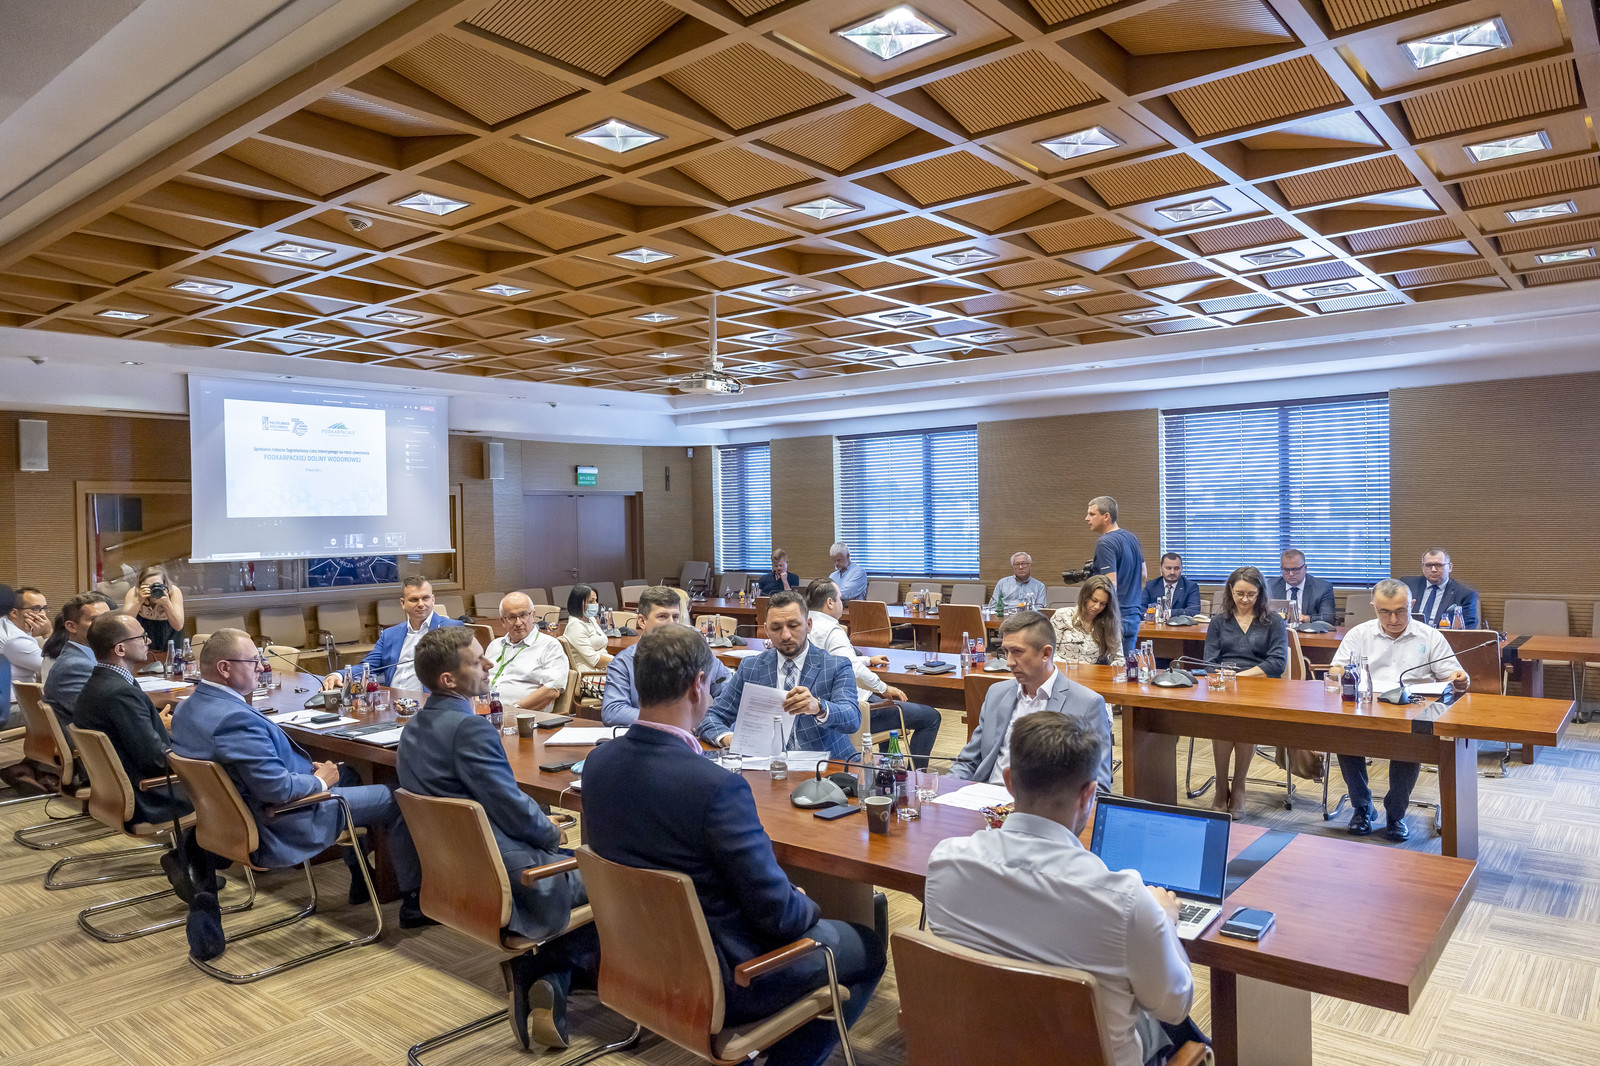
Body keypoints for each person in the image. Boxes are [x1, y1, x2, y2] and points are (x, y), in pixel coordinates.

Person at [582, 624, 885, 1066]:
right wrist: (802, 900)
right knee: (867, 945)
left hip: (635, 957)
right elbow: (780, 917)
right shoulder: (715, 788)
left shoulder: (597, 763)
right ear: (698, 685)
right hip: (728, 975)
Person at [928, 714, 1205, 1066]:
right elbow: (1175, 1006)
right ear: (1089, 794)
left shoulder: (946, 862)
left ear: (1009, 781)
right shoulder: (1126, 901)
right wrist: (1163, 920)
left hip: (981, 1052)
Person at [398, 628, 598, 1051]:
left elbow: (484, 807)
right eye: (477, 661)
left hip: (457, 876)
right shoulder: (468, 728)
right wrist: (552, 831)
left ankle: (550, 973)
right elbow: (511, 807)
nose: (489, 664)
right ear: (449, 680)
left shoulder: (413, 727)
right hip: (514, 880)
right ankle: (548, 971)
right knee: (622, 880)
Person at [171, 628, 428, 923]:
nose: (262, 667)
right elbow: (277, 791)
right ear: (224, 668)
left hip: (227, 819)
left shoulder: (186, 708)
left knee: (350, 774)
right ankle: (413, 903)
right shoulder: (234, 719)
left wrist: (314, 774)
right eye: (253, 661)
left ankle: (360, 875)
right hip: (280, 820)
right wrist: (320, 781)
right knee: (398, 797)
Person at [1330, 579, 1470, 841]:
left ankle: (1396, 815)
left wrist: (1460, 679)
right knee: (1344, 738)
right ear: (1374, 608)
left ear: (1412, 605)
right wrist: (1341, 672)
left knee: (1408, 747)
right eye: (1385, 612)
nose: (1393, 619)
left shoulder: (1430, 636)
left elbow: (1453, 674)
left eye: (1400, 611)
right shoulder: (1359, 634)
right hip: (1367, 709)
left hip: (1412, 711)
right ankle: (1362, 808)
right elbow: (1337, 669)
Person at [951, 611, 1113, 790]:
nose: (1009, 662)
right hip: (987, 796)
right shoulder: (996, 694)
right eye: (1006, 651)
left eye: (1017, 652)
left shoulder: (1087, 704)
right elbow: (968, 761)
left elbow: (1099, 786)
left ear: (1046, 653)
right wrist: (943, 789)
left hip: (1045, 802)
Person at [699, 589, 860, 759]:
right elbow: (711, 716)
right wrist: (727, 738)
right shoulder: (751, 667)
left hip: (825, 766)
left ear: (809, 625)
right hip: (765, 765)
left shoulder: (836, 666)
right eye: (776, 628)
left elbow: (852, 718)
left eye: (793, 626)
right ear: (766, 630)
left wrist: (819, 707)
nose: (785, 635)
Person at [71, 612, 191, 827]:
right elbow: (155, 762)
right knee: (232, 781)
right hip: (149, 798)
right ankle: (197, 848)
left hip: (116, 791)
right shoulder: (121, 693)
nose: (149, 641)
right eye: (142, 637)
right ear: (120, 649)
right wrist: (200, 762)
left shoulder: (97, 684)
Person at [804, 578, 941, 767]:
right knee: (931, 717)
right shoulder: (832, 630)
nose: (842, 603)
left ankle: (889, 770)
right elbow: (851, 669)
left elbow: (833, 662)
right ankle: (915, 776)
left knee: (889, 710)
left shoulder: (803, 626)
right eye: (840, 599)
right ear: (830, 602)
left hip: (821, 710)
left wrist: (867, 660)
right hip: (857, 710)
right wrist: (883, 688)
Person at [1203, 566, 1289, 815]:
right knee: (1222, 722)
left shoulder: (1273, 621)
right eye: (1239, 593)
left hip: (1259, 686)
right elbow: (1210, 662)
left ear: (1260, 593)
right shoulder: (1219, 621)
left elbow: (1277, 662)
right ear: (1230, 591)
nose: (1244, 599)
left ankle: (1239, 785)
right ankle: (1221, 785)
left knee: (1244, 723)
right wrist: (1226, 679)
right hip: (1223, 686)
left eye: (1251, 594)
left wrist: (1239, 677)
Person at [602, 586, 729, 726]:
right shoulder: (624, 662)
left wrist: (709, 722)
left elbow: (730, 693)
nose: (671, 624)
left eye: (675, 617)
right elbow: (613, 712)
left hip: (695, 735)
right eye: (662, 617)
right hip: (649, 735)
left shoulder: (697, 652)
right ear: (642, 621)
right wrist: (670, 721)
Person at [326, 576, 461, 692]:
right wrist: (339, 675)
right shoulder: (390, 634)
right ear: (403, 603)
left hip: (428, 702)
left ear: (433, 599)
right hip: (392, 701)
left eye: (425, 598)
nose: (421, 604)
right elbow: (368, 667)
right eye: (414, 600)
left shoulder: (452, 629)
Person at [484, 592, 569, 711]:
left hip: (523, 716)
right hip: (484, 713)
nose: (518, 623)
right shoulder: (494, 645)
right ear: (503, 621)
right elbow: (479, 681)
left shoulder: (550, 646)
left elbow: (552, 690)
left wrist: (513, 710)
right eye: (512, 617)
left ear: (533, 615)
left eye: (523, 615)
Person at [43, 591, 115, 728]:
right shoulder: (76, 665)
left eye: (108, 618)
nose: (108, 625)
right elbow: (97, 715)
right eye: (96, 619)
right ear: (71, 626)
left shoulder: (84, 657)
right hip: (90, 738)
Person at [1087, 496, 1145, 657]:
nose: (1087, 518)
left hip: (1114, 617)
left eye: (1092, 514)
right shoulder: (1132, 538)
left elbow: (1110, 583)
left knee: (1109, 667)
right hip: (1133, 614)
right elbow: (1144, 574)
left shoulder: (1105, 542)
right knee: (1128, 665)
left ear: (1106, 516)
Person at [1050, 575, 1121, 665]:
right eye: (1094, 600)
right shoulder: (1063, 615)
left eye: (1103, 604)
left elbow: (1119, 659)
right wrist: (1074, 664)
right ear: (1085, 596)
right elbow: (1048, 654)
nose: (1097, 607)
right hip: (1064, 670)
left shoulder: (1108, 622)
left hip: (1093, 672)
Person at [1402, 549, 1481, 629]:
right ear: (1423, 567)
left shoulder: (1465, 594)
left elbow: (1468, 628)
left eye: (1439, 565)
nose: (1433, 569)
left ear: (1450, 567)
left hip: (1444, 636)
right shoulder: (1407, 586)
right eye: (1428, 565)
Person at [2, 586, 49, 721]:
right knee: (60, 712)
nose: (43, 615)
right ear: (14, 613)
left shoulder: (7, 626)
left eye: (44, 608)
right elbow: (53, 668)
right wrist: (48, 633)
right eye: (36, 609)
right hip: (10, 707)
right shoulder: (15, 639)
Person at [1267, 549, 1336, 625]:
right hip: (1279, 629)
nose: (1291, 574)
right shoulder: (1270, 586)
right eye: (1286, 570)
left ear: (1305, 568)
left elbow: (1328, 618)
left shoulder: (1322, 588)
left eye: (1295, 569)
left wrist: (1307, 618)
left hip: (1309, 630)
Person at [559, 584, 611, 673]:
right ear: (578, 603)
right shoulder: (575, 626)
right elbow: (594, 661)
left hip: (604, 667)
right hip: (589, 673)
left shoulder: (591, 619)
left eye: (596, 600)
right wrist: (619, 661)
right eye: (591, 601)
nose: (595, 604)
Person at [1141, 553, 1201, 617]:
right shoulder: (1151, 586)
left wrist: (1167, 613)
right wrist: (1151, 615)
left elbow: (1194, 611)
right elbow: (1140, 607)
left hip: (1179, 623)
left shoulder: (1191, 587)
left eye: (1176, 568)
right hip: (1155, 623)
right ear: (1161, 568)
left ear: (1181, 569)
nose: (1172, 572)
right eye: (1168, 568)